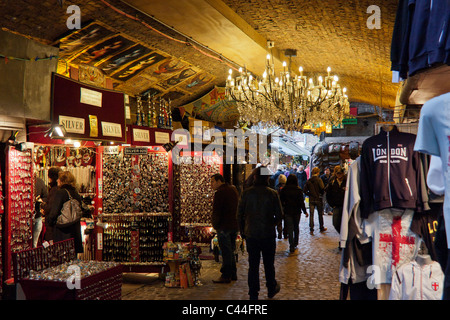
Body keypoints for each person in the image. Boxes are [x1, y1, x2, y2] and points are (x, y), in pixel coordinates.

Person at [238, 166, 283, 300]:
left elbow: (239, 214)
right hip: (268, 234)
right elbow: (280, 215)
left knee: (253, 265)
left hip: (251, 234)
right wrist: (272, 223)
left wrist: (243, 231)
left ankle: (253, 293)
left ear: (255, 177)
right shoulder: (272, 193)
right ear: (267, 178)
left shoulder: (246, 193)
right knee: (269, 264)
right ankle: (271, 287)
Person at [210, 173, 240, 283]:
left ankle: (226, 275)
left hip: (224, 226)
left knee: (226, 251)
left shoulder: (220, 193)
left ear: (219, 181)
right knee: (231, 250)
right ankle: (233, 273)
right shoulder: (233, 190)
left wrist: (215, 224)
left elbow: (216, 211)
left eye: (213, 182)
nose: (211, 184)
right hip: (233, 225)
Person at [47, 171, 85, 254]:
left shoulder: (61, 193)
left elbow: (54, 212)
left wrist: (49, 222)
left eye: (59, 179)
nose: (57, 181)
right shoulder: (75, 193)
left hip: (63, 231)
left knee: (62, 256)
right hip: (75, 230)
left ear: (62, 180)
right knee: (72, 255)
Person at [279, 175, 308, 253]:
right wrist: (305, 211)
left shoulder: (284, 190)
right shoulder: (298, 190)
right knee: (296, 227)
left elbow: (281, 201)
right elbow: (301, 202)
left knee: (290, 228)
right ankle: (295, 242)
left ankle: (291, 245)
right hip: (296, 211)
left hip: (288, 211)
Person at [303, 167, 327, 235]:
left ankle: (311, 228)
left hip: (311, 199)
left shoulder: (309, 180)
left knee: (311, 214)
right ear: (318, 172)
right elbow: (322, 189)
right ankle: (321, 227)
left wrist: (309, 194)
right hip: (318, 198)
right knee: (320, 214)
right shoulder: (319, 180)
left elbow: (304, 190)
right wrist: (321, 194)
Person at [41, 167, 62, 242]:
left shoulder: (54, 190)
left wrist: (42, 205)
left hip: (52, 226)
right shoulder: (60, 189)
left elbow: (50, 208)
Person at [326, 166, 347, 235]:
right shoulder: (332, 181)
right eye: (338, 173)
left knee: (345, 223)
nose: (339, 175)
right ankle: (342, 235)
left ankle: (343, 238)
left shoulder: (347, 180)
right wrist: (332, 204)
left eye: (340, 173)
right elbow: (328, 194)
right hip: (336, 206)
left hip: (345, 206)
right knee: (335, 223)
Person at [33, 176, 48, 248]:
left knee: (34, 243)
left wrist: (40, 200)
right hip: (35, 217)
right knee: (33, 243)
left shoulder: (39, 181)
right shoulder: (40, 181)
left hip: (37, 217)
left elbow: (46, 197)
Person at [276, 174, 287, 239]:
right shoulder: (287, 187)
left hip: (278, 206)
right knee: (286, 221)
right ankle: (285, 234)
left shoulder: (276, 187)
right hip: (285, 206)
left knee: (279, 220)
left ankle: (279, 233)